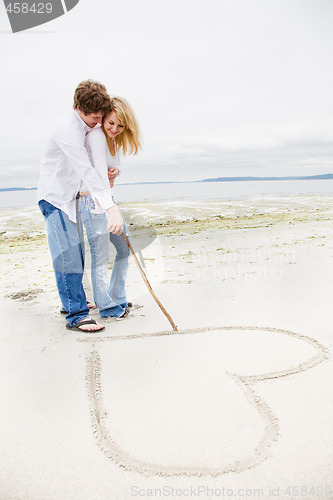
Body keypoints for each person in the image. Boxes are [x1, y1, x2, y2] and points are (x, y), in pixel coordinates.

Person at [37, 80, 124, 333]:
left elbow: (94, 169)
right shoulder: (68, 130)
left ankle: (72, 301)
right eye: (95, 118)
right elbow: (85, 169)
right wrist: (111, 208)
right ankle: (76, 315)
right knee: (68, 257)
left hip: (71, 197)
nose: (99, 123)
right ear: (79, 109)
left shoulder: (86, 127)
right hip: (55, 198)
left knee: (77, 254)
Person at [78, 96, 142, 318]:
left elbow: (110, 170)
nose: (115, 128)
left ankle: (117, 296)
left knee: (125, 248)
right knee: (100, 256)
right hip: (91, 200)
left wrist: (116, 172)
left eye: (121, 125)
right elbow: (95, 175)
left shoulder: (116, 140)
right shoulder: (96, 136)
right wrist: (109, 210)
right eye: (111, 123)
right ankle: (106, 307)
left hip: (106, 199)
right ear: (104, 118)